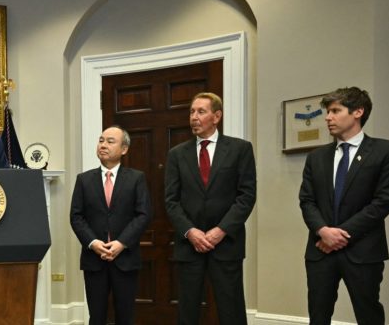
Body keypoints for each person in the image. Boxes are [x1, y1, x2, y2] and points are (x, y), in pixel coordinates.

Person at [299, 87, 389, 324]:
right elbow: (307, 201)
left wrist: (340, 235)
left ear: (358, 112)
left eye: (335, 111)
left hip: (363, 251)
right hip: (320, 250)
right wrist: (323, 231)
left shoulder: (385, 151)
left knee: (368, 314)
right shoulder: (316, 157)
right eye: (327, 112)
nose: (328, 117)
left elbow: (383, 201)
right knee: (318, 316)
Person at [165, 92, 256, 325]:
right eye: (192, 112)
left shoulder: (240, 149)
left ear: (217, 116)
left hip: (226, 244)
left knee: (231, 308)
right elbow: (171, 201)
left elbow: (246, 197)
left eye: (201, 111)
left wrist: (220, 231)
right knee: (187, 309)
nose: (194, 117)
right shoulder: (177, 154)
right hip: (189, 245)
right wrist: (190, 232)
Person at [70, 125, 152, 325]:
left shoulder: (136, 178)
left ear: (124, 149)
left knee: (125, 315)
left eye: (110, 141)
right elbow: (76, 217)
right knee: (96, 316)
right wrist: (93, 243)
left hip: (125, 258)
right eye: (101, 140)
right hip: (94, 259)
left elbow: (143, 215)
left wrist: (121, 243)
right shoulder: (84, 179)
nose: (103, 145)